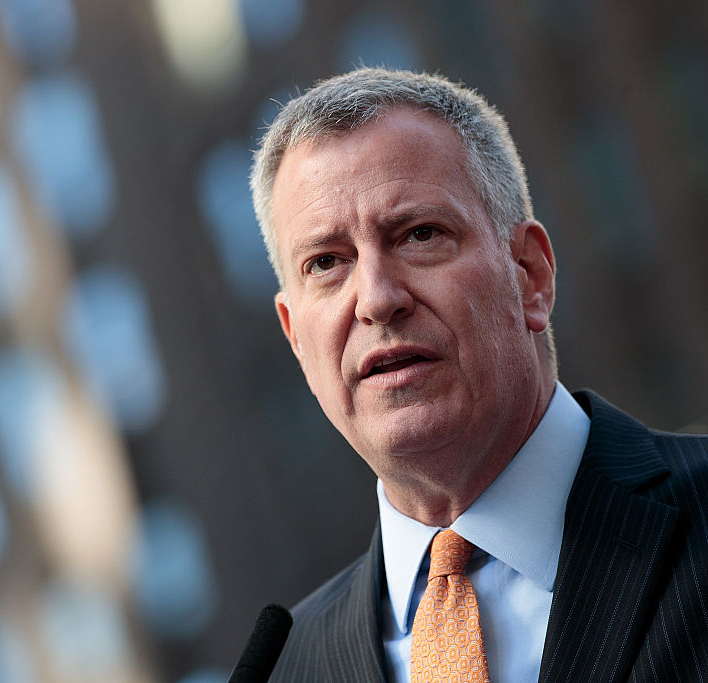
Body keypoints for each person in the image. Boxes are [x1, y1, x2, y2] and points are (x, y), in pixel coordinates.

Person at [249, 67, 708, 682]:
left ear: (529, 276)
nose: (377, 299)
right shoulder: (284, 669)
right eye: (326, 263)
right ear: (296, 338)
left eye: (419, 234)